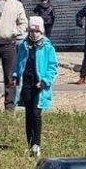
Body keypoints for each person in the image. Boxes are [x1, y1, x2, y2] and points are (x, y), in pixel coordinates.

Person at [14, 16, 58, 158]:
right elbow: (18, 62)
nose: (34, 34)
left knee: (36, 114)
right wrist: (15, 75)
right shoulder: (24, 45)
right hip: (26, 83)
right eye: (31, 31)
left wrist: (45, 80)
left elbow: (53, 67)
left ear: (42, 32)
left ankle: (37, 144)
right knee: (28, 114)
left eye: (37, 31)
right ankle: (30, 144)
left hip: (39, 85)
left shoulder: (47, 47)